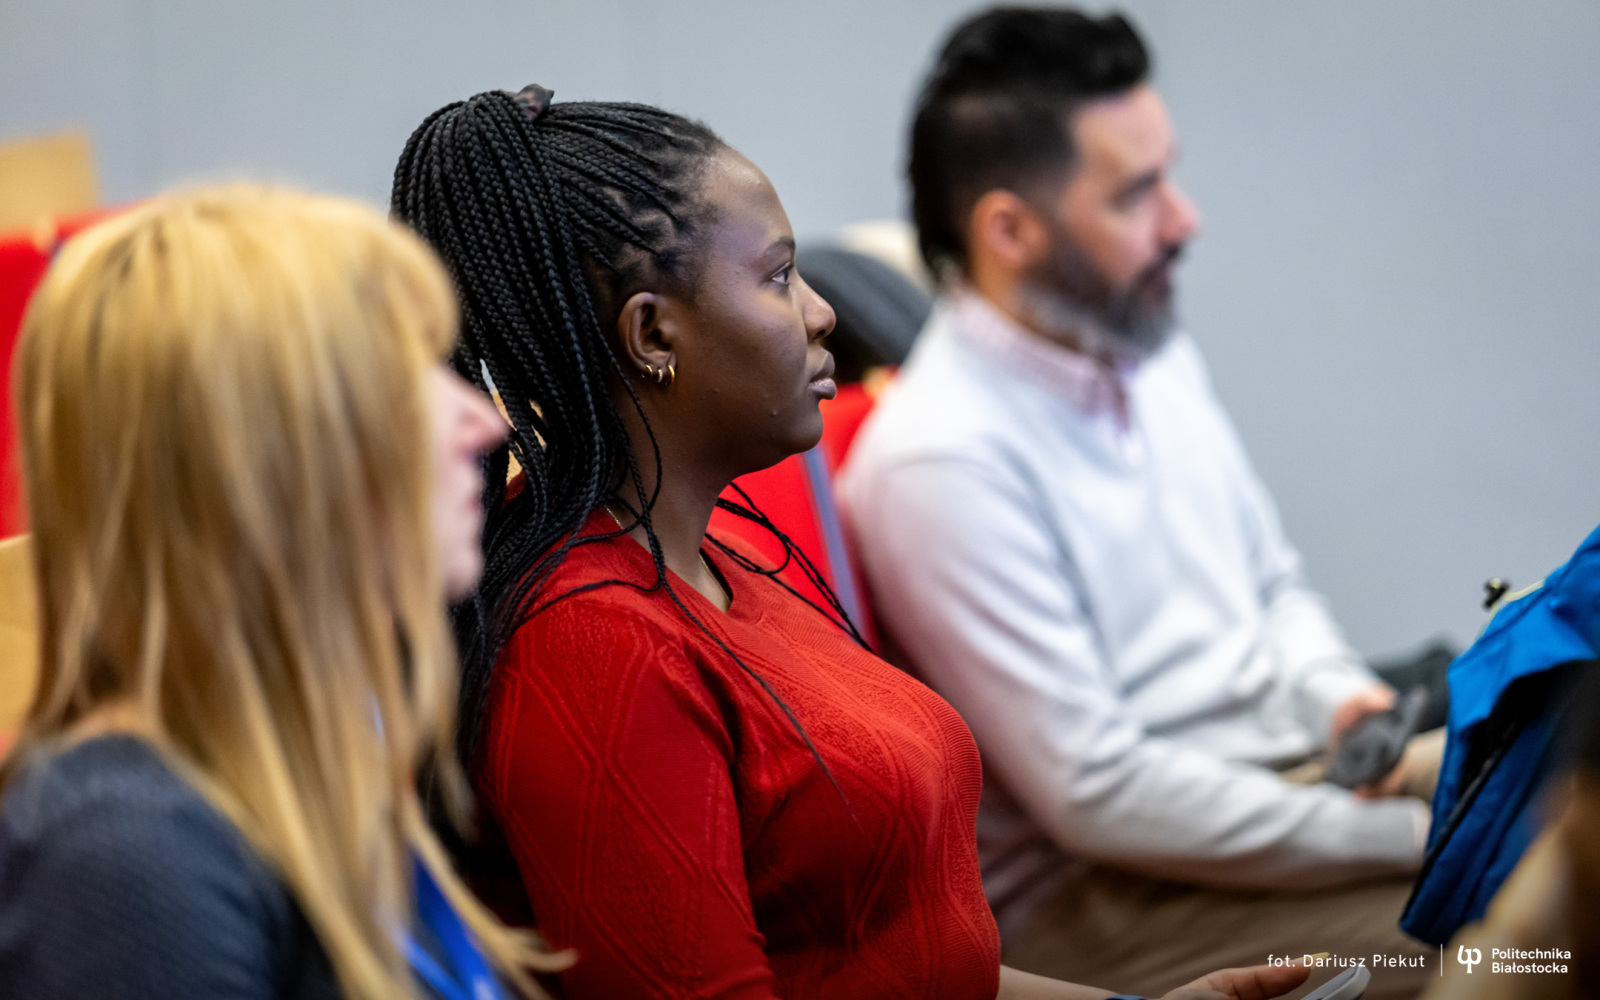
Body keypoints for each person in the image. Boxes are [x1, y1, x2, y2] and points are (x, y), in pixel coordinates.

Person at [391, 85, 1314, 1000]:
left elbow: (906, 965)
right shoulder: (594, 645)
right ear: (653, 333)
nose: (823, 312)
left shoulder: (722, 558)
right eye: (778, 276)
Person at [838, 8, 1435, 998]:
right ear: (1009, 231)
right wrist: (1406, 836)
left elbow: (1274, 586)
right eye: (1136, 193)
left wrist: (1338, 698)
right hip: (1108, 896)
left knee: (1553, 780)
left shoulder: (1142, 350)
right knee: (1522, 934)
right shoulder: (936, 459)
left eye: (1168, 175)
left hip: (1285, 781)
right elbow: (1098, 795)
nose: (1182, 220)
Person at [0, 185, 565, 999]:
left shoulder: (311, 771)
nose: (484, 423)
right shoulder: (128, 851)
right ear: (264, 453)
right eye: (410, 377)